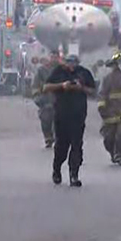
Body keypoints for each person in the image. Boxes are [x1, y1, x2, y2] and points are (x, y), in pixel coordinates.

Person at [43, 51, 96, 187]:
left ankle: (74, 175)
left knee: (77, 146)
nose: (71, 65)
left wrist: (81, 88)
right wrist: (62, 86)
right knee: (61, 146)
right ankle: (57, 170)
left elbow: (93, 91)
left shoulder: (84, 73)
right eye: (69, 62)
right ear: (65, 62)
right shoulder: (58, 72)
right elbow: (46, 87)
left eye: (74, 62)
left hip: (78, 117)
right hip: (61, 115)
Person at [32, 49, 61, 148]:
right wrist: (37, 98)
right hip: (45, 100)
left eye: (55, 57)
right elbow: (35, 85)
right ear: (49, 57)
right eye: (52, 57)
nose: (54, 59)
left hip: (59, 100)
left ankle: (58, 138)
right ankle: (48, 138)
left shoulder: (62, 70)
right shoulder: (42, 70)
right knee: (45, 120)